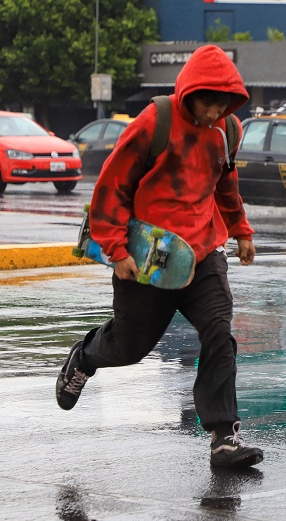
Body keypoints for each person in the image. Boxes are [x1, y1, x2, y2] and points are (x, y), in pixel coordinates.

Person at [55, 45, 263, 469]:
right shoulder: (156, 121)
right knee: (130, 347)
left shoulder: (229, 130)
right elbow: (111, 188)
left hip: (203, 251)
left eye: (222, 105)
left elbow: (226, 184)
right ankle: (86, 355)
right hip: (149, 255)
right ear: (189, 93)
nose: (212, 113)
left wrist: (240, 230)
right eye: (206, 102)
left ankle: (224, 436)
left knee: (219, 332)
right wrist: (115, 250)